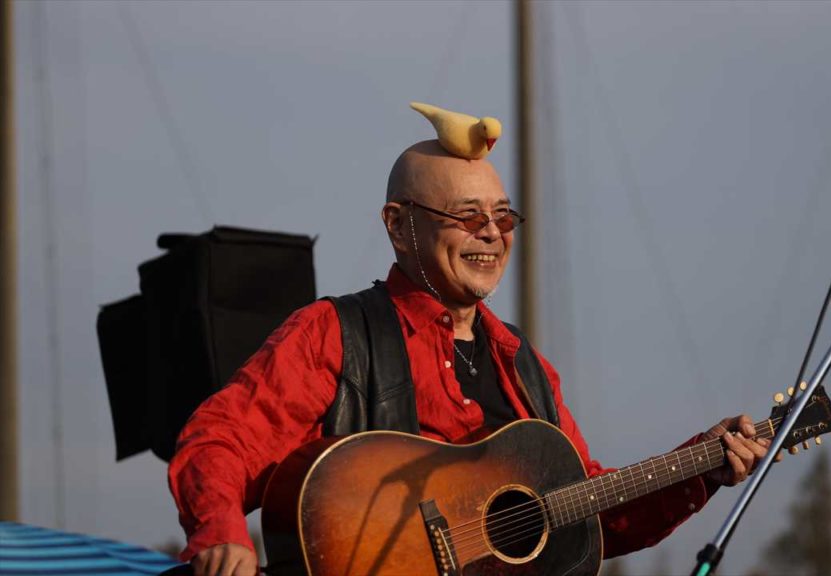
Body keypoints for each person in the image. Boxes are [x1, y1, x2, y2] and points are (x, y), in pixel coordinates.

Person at [168, 140, 771, 576]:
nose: (492, 233)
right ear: (399, 226)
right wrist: (223, 536)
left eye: (503, 216)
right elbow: (220, 440)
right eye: (467, 216)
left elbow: (586, 511)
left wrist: (701, 465)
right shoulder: (334, 334)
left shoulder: (526, 367)